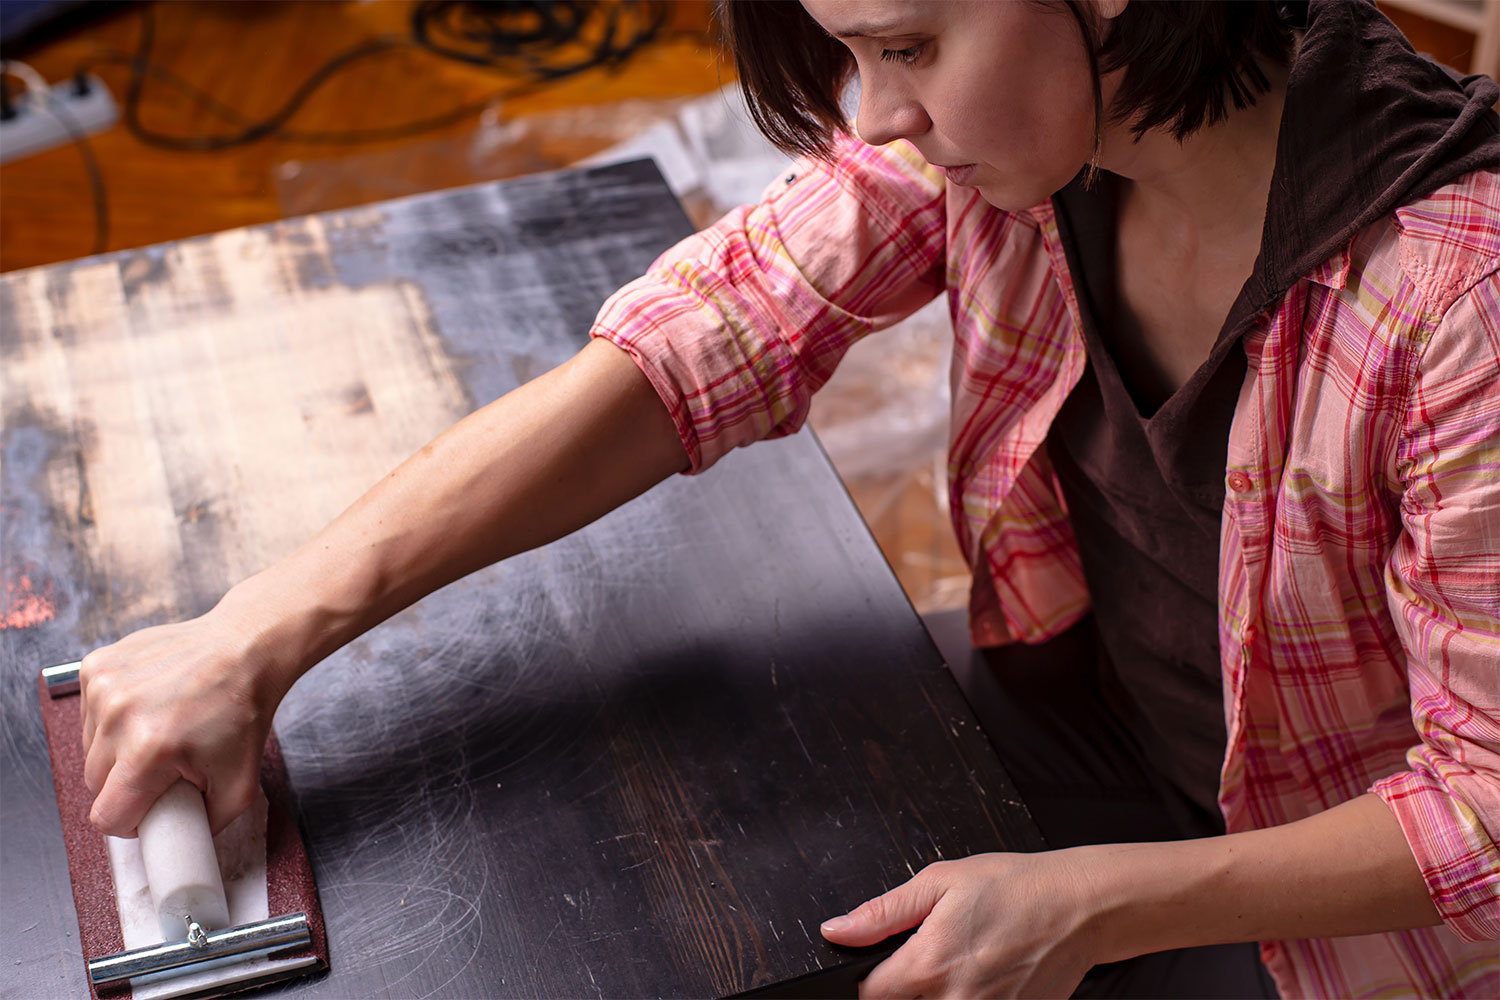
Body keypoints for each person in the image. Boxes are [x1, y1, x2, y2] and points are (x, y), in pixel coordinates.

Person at [77, 0, 1498, 996]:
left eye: (910, 47)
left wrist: (1095, 904)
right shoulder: (1026, 148)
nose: (881, 114)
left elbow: (1484, 812)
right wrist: (255, 631)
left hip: (1367, 939)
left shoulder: (1458, 296)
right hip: (1100, 723)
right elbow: (715, 333)